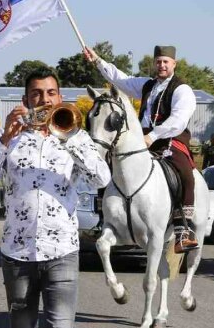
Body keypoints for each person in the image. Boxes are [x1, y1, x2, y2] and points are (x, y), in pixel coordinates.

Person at [0, 67, 111, 328]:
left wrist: (68, 136)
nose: (44, 99)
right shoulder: (8, 138)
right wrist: (4, 140)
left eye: (50, 93)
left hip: (62, 252)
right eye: (36, 94)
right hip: (17, 253)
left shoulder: (78, 137)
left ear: (59, 98)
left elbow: (101, 178)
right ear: (25, 101)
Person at [84, 45, 198, 254]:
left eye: (165, 62)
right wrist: (98, 61)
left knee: (185, 172)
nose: (161, 65)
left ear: (174, 64)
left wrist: (153, 136)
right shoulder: (147, 85)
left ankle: (182, 230)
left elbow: (179, 120)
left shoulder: (182, 89)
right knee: (109, 165)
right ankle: (104, 217)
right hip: (140, 139)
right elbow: (121, 80)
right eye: (158, 61)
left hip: (169, 138)